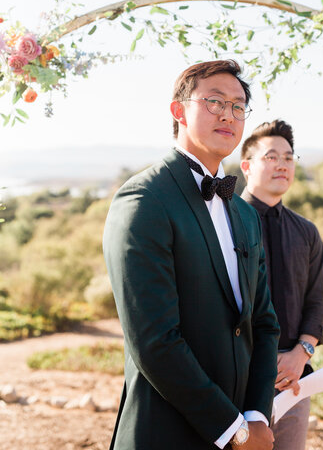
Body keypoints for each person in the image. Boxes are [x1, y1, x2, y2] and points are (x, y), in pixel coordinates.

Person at [103, 60, 280, 450]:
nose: (228, 115)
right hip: (165, 432)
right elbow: (155, 341)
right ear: (178, 110)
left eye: (237, 106)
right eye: (214, 102)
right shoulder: (144, 200)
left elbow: (263, 323)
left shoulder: (245, 214)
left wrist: (255, 415)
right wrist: (233, 429)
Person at [240, 119, 323, 450]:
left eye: (289, 158)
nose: (282, 165)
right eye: (271, 157)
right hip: (238, 375)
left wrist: (300, 354)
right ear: (247, 166)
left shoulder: (307, 232)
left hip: (294, 378)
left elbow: (317, 301)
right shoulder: (225, 222)